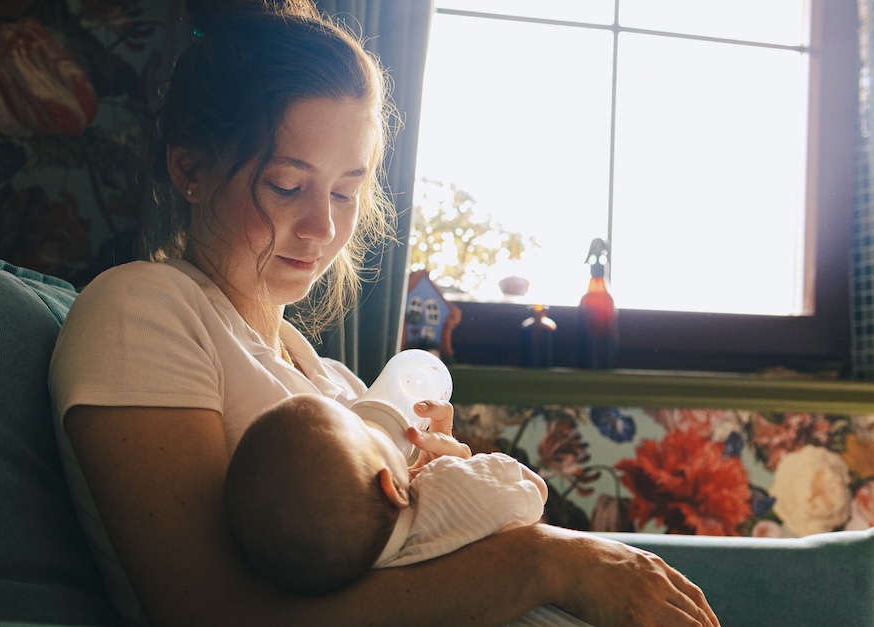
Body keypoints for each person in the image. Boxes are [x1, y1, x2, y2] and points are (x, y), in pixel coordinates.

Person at [48, 1, 721, 625]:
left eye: (346, 192)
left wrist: (437, 492)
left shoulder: (331, 382)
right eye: (287, 185)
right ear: (190, 168)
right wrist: (544, 560)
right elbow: (212, 610)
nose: (322, 225)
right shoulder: (141, 309)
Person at [225, 393, 548, 595]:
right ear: (393, 487)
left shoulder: (355, 576)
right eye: (367, 430)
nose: (374, 427)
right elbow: (536, 490)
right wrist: (462, 465)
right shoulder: (448, 482)